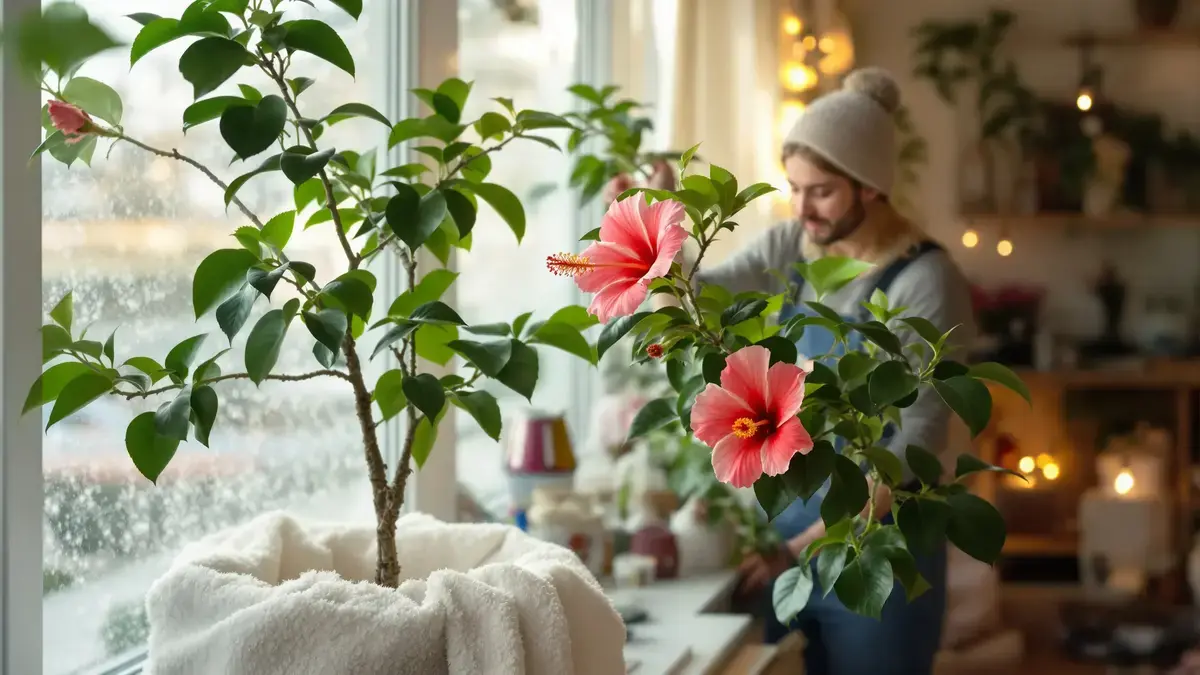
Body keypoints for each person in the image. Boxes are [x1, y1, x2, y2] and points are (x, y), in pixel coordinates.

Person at [689, 67, 978, 674]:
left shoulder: (926, 281)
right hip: (791, 535)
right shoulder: (794, 245)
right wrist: (662, 223)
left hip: (877, 552)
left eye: (819, 191)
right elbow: (703, 293)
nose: (801, 208)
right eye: (793, 188)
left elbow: (911, 452)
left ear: (870, 186)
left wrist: (795, 551)